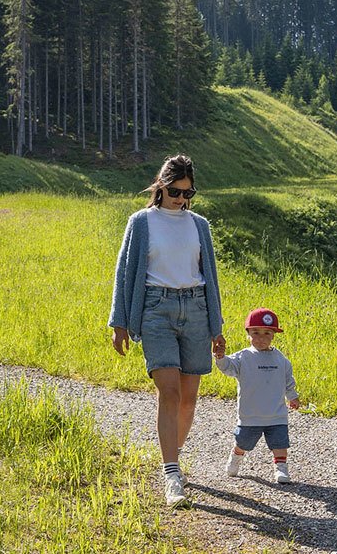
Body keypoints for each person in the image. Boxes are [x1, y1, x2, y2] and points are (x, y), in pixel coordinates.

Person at [109, 154, 226, 508]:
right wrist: (119, 322)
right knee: (170, 391)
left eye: (188, 193)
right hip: (155, 310)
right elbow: (124, 271)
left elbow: (211, 278)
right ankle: (172, 472)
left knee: (190, 397)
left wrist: (216, 326)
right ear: (160, 186)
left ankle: (172, 456)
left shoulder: (199, 225)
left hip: (195, 310)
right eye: (175, 191)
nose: (182, 199)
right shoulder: (141, 222)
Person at [214, 307, 300, 484]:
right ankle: (237, 455)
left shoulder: (281, 360)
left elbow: (288, 380)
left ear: (274, 335)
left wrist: (292, 396)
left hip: (276, 415)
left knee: (280, 443)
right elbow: (227, 367)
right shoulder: (243, 357)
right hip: (250, 416)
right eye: (256, 333)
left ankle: (281, 468)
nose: (261, 338)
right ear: (248, 334)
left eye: (267, 333)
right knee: (243, 442)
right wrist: (220, 357)